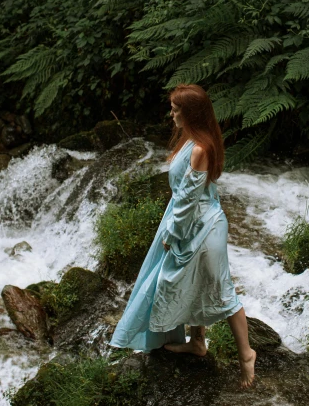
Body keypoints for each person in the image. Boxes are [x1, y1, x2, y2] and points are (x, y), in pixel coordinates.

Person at [109, 83, 256, 388]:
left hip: (203, 227)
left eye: (176, 109)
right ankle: (198, 341)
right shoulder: (191, 138)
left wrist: (172, 235)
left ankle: (246, 354)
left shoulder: (201, 148)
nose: (171, 113)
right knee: (193, 281)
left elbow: (189, 200)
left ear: (190, 113)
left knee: (221, 288)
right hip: (188, 221)